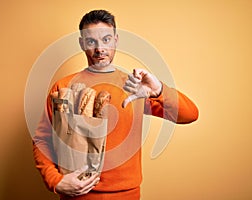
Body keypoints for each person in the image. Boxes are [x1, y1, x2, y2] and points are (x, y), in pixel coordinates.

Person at [32, 9, 199, 200]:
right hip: (77, 196)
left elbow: (190, 114)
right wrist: (56, 181)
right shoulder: (62, 87)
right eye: (91, 41)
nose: (99, 48)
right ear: (81, 44)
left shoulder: (135, 86)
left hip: (126, 195)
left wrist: (160, 89)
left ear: (116, 41)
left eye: (106, 39)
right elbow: (42, 140)